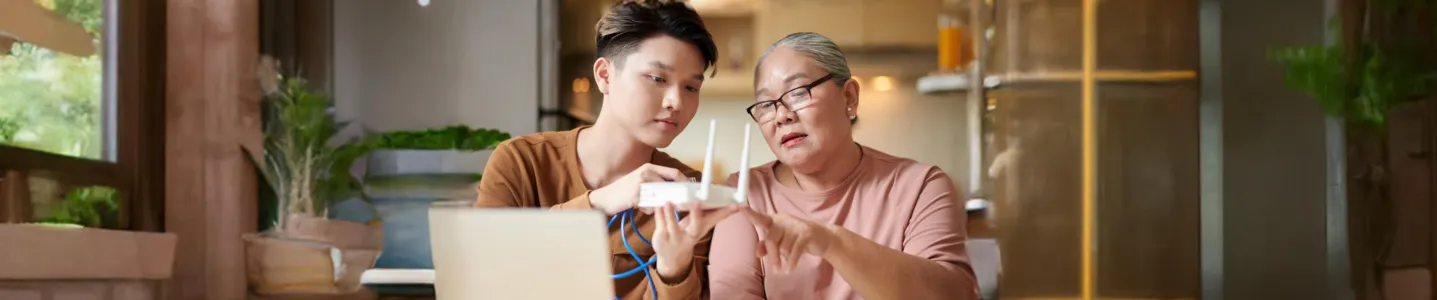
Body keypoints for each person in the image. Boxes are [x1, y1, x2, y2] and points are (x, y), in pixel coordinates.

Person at [474, 1, 740, 299]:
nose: (676, 102)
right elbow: (478, 273)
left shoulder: (687, 192)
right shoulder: (522, 161)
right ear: (604, 76)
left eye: (691, 87)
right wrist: (597, 204)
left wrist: (673, 269)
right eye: (657, 79)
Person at [707, 32, 980, 300]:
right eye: (766, 104)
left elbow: (952, 293)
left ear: (849, 97)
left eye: (798, 93)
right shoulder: (743, 192)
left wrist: (832, 243)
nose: (781, 115)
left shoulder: (921, 187)